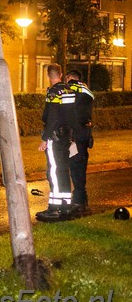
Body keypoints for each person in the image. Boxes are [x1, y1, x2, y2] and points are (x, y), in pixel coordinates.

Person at [36, 63, 76, 222]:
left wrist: (45, 138)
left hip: (55, 137)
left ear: (48, 75)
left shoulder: (53, 92)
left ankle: (55, 209)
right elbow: (73, 116)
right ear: (60, 74)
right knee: (63, 170)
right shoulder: (69, 91)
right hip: (66, 135)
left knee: (54, 171)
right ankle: (66, 207)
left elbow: (52, 117)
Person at [64, 69, 95, 216]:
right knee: (80, 166)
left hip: (75, 134)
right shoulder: (86, 90)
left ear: (70, 77)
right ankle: (82, 199)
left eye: (67, 78)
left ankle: (79, 202)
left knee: (76, 167)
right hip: (84, 132)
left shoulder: (72, 88)